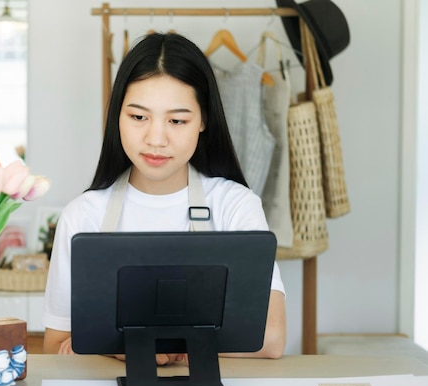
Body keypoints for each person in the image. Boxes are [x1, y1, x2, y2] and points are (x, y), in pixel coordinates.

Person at [42, 32, 286, 363]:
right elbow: (56, 347)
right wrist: (165, 345)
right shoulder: (82, 215)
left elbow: (270, 339)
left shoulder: (235, 206)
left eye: (177, 120)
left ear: (203, 121)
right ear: (118, 116)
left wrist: (149, 345)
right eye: (139, 117)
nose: (156, 138)